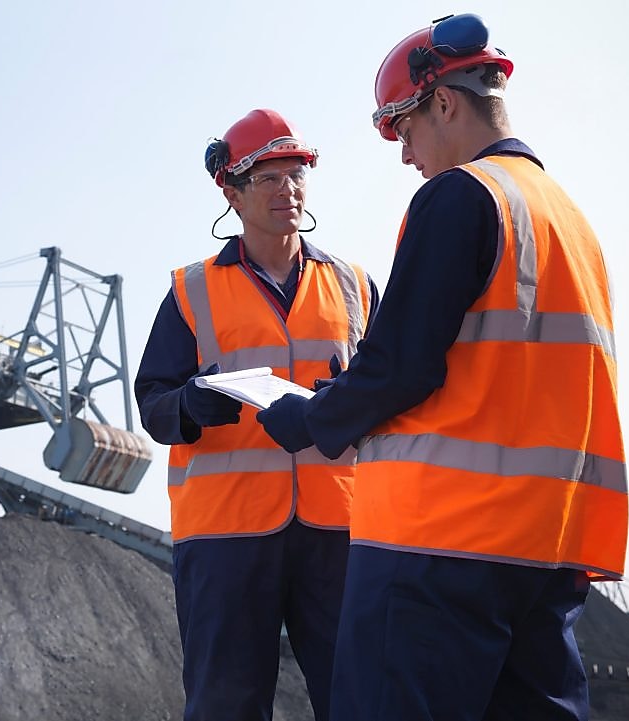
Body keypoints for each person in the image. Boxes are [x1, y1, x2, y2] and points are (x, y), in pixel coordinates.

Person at [254, 14, 629, 720]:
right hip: (547, 551)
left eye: (402, 129)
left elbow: (401, 365)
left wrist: (311, 417)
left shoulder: (463, 195)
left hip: (437, 548)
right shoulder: (572, 223)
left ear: (444, 103)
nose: (404, 156)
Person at [135, 108, 377, 721]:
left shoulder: (355, 284)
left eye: (295, 174)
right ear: (231, 192)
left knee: (362, 698)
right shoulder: (191, 291)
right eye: (267, 178)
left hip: (341, 527)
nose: (287, 190)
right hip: (226, 536)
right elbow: (154, 405)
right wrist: (192, 402)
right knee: (226, 706)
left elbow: (393, 389)